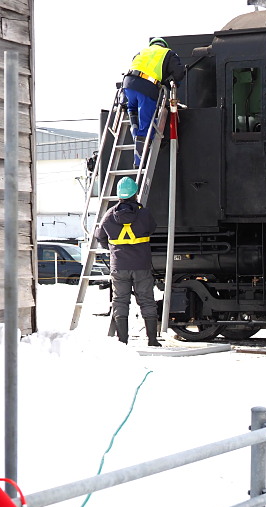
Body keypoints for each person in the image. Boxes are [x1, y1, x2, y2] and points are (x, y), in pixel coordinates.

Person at [95, 177, 162, 347]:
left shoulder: (110, 215)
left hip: (119, 266)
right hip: (141, 265)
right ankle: (152, 340)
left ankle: (122, 341)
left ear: (119, 196)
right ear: (135, 194)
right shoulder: (144, 213)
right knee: (147, 300)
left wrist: (113, 249)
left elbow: (99, 236)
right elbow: (152, 228)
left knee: (120, 301)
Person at [122, 37, 185, 167]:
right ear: (164, 45)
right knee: (146, 126)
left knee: (132, 109)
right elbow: (179, 73)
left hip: (128, 84)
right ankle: (139, 161)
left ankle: (134, 132)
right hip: (146, 88)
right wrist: (170, 84)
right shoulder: (168, 53)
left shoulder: (141, 52)